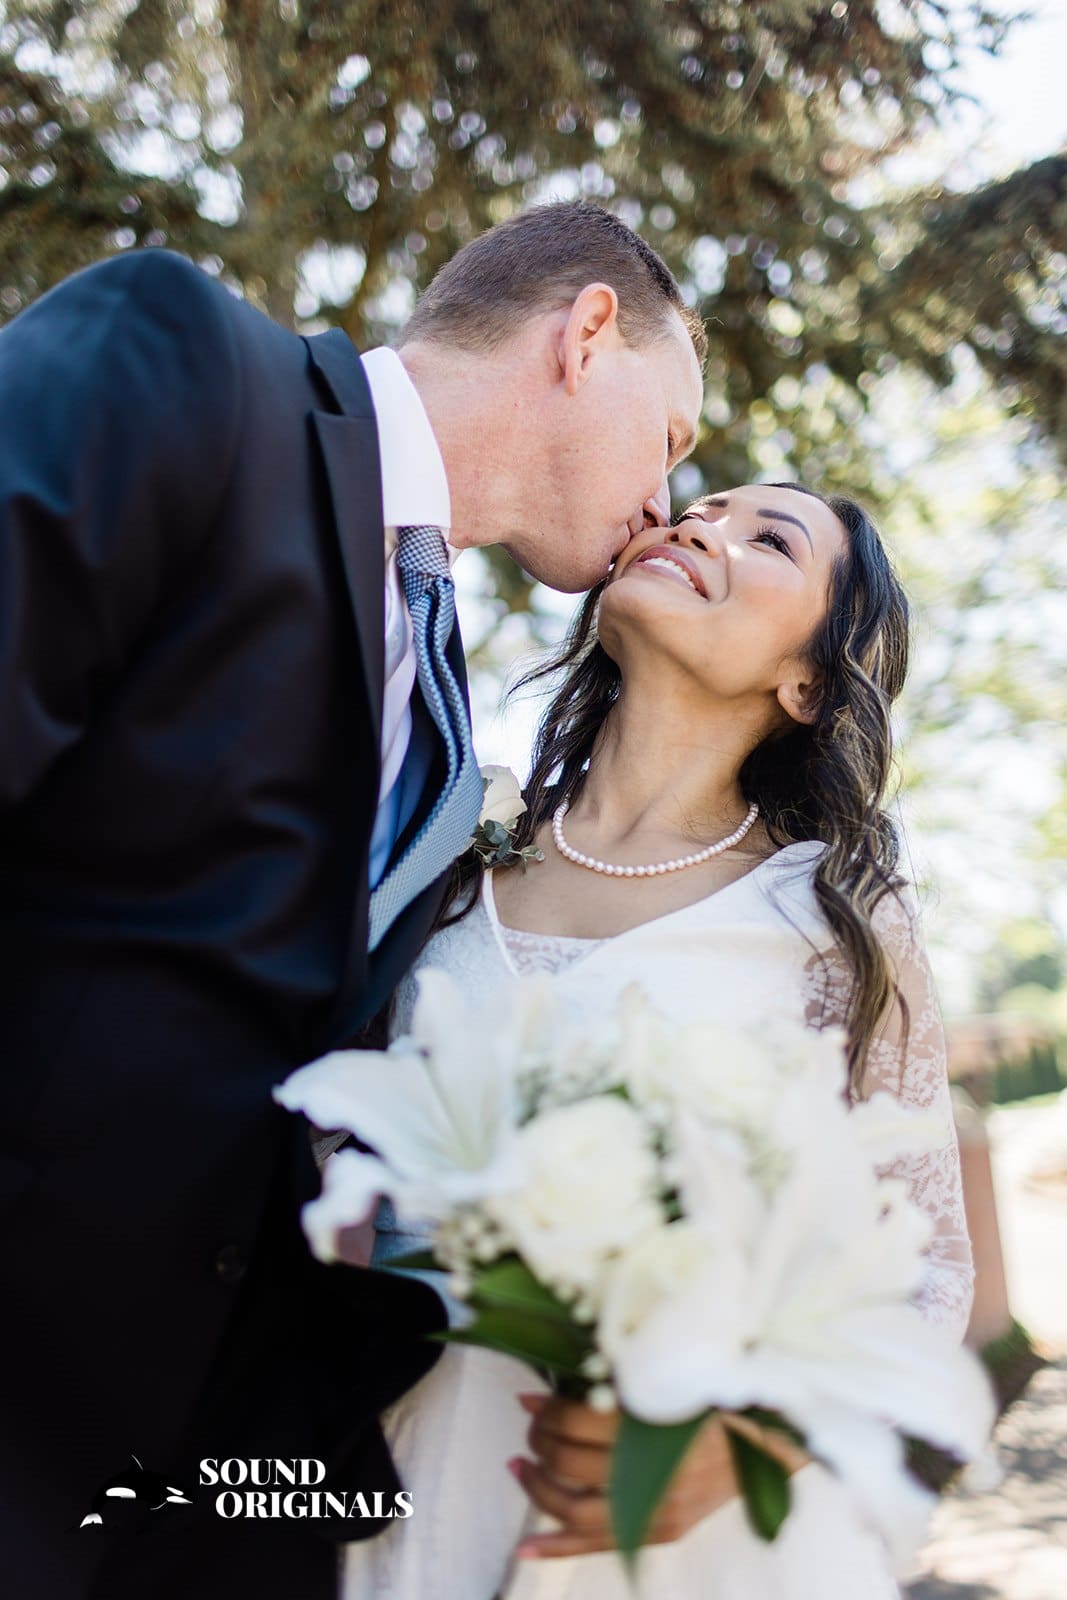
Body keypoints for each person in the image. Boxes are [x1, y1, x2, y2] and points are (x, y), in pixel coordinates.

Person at [0, 202, 704, 1599]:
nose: (666, 507)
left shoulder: (455, 715)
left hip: (219, 1478)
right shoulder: (189, 363)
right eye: (671, 440)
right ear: (586, 334)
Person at [341, 482, 975, 1600]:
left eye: (765, 538)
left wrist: (751, 1449)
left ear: (808, 682)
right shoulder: (448, 844)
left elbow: (920, 1272)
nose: (698, 524)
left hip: (678, 1545)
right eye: (701, 505)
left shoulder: (834, 922)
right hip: (417, 1482)